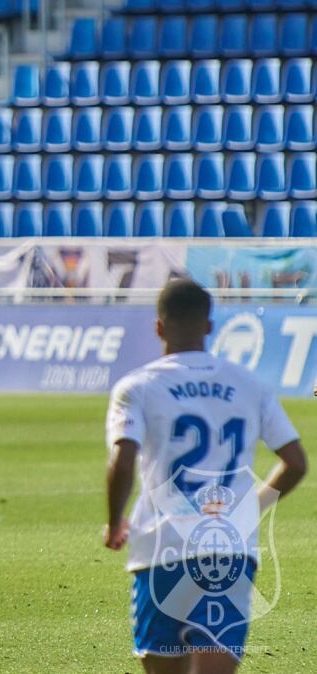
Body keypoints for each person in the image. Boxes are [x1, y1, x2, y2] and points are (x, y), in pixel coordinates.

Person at [103, 279, 307, 672]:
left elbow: (123, 460)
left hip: (161, 548)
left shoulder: (137, 386)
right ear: (210, 327)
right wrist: (251, 507)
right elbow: (295, 462)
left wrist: (114, 523)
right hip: (226, 550)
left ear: (158, 327)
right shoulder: (251, 385)